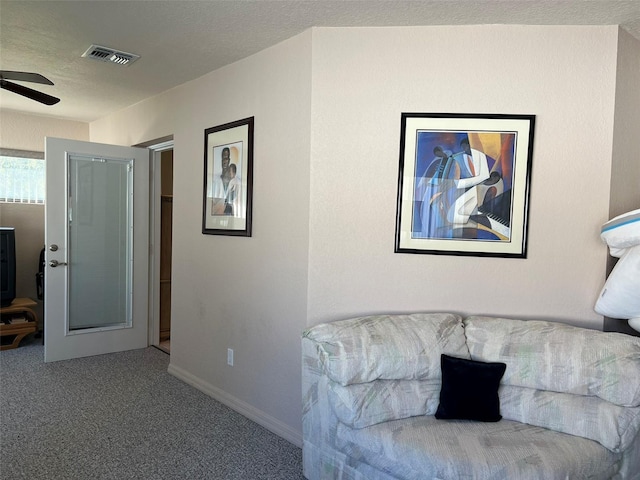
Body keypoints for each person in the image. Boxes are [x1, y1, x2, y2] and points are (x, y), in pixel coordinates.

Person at [446, 138, 490, 225]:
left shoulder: (482, 156)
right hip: (465, 190)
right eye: (463, 147)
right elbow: (454, 180)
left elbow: (486, 176)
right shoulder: (457, 158)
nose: (465, 149)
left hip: (482, 190)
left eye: (467, 146)